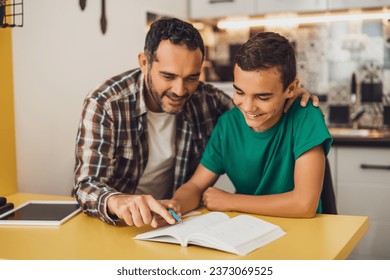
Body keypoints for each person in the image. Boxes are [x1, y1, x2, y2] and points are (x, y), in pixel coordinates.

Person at [73, 18, 318, 227]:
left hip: (170, 220)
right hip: (119, 223)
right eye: (168, 76)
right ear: (144, 63)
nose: (180, 90)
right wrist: (118, 201)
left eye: (192, 77)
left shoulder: (208, 100)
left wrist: (291, 94)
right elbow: (86, 185)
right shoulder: (107, 103)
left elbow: (252, 109)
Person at [171, 32, 332, 218]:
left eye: (262, 97)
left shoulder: (306, 116)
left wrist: (231, 201)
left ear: (290, 89)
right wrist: (175, 205)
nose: (248, 107)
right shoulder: (228, 124)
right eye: (239, 92)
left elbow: (304, 204)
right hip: (246, 232)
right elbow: (196, 186)